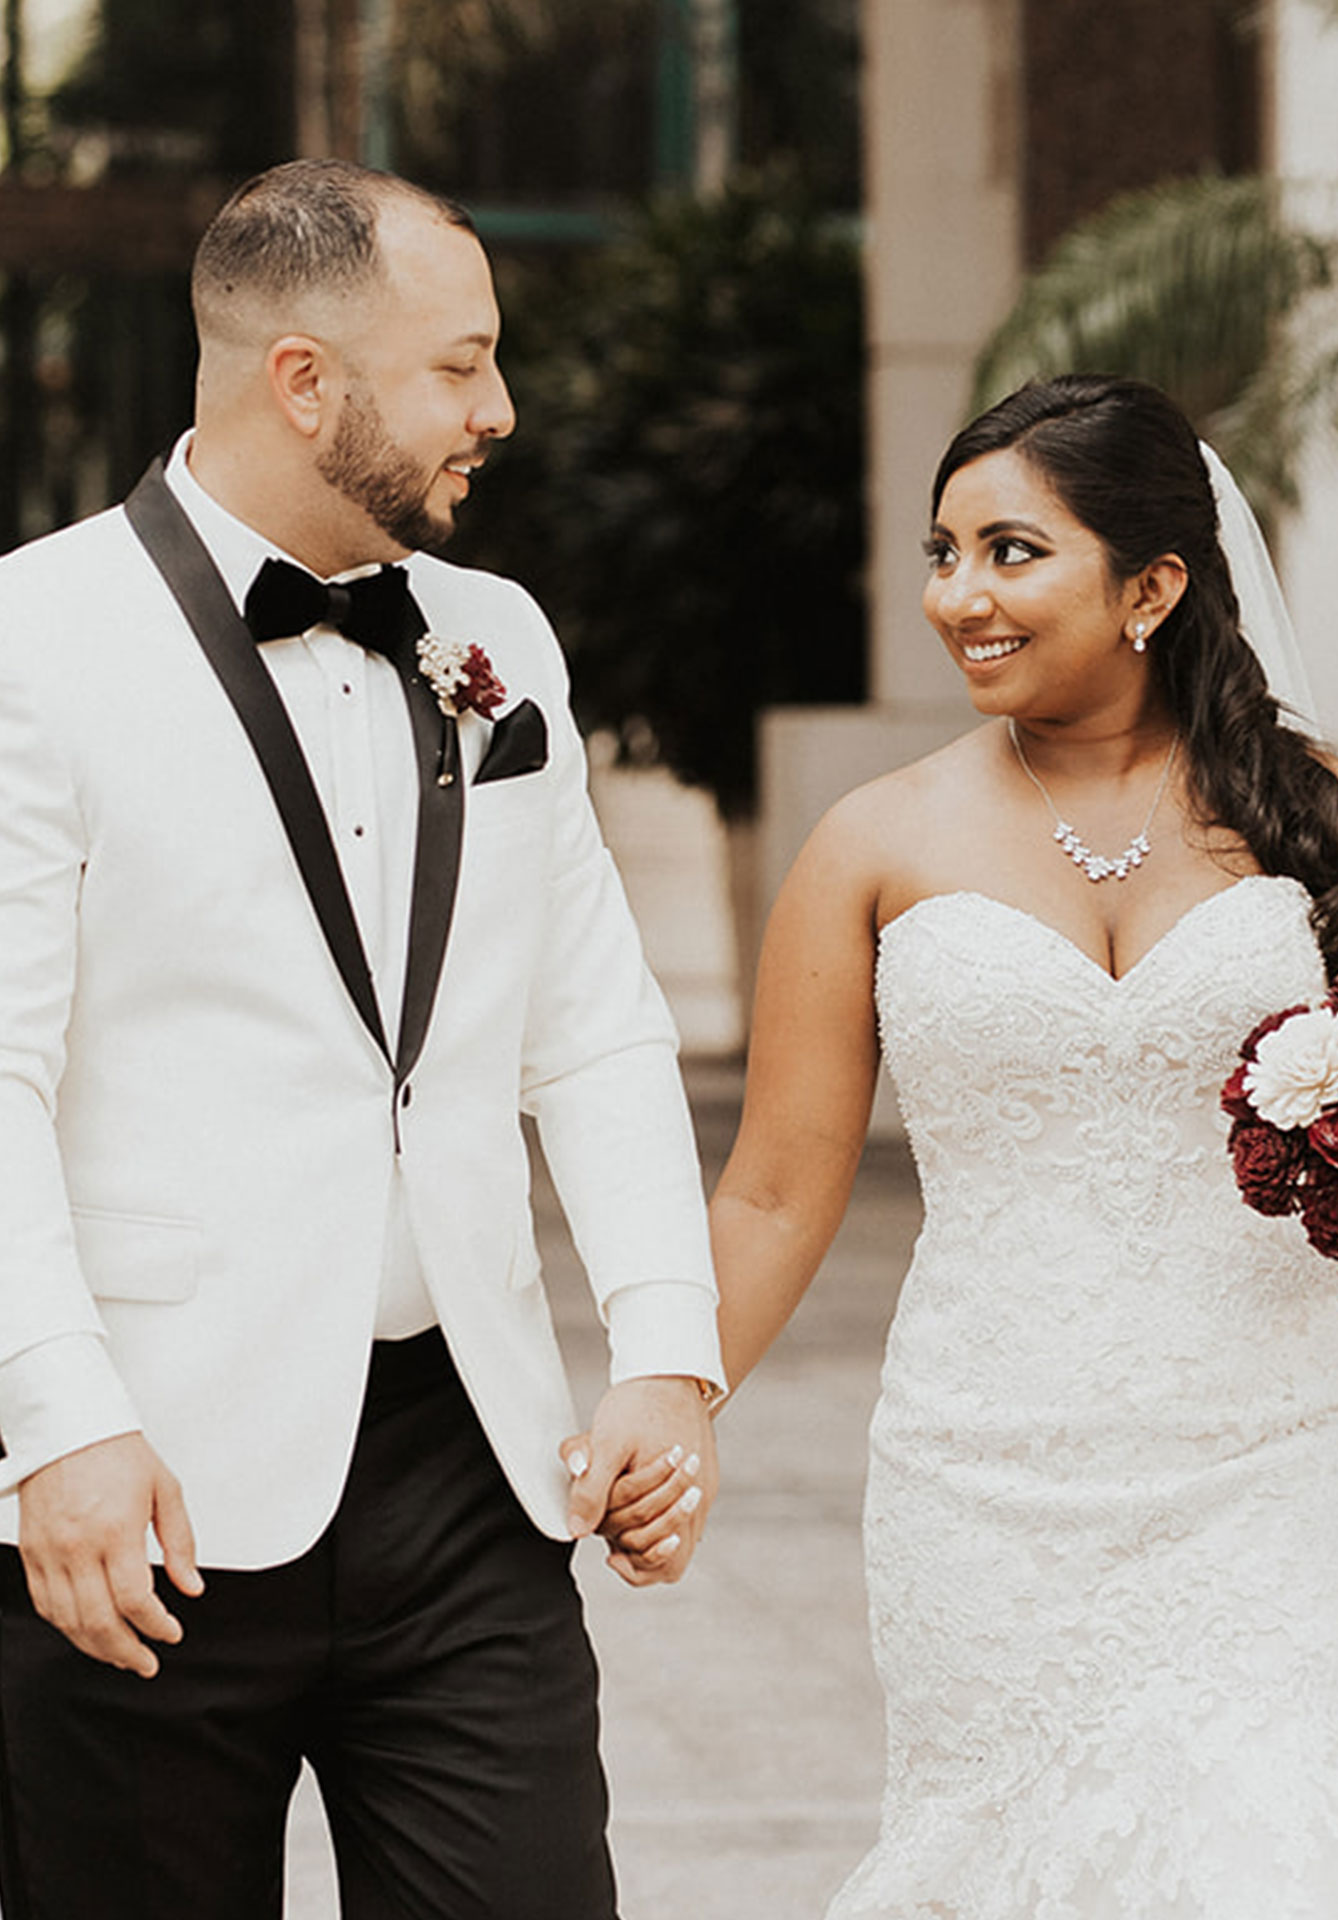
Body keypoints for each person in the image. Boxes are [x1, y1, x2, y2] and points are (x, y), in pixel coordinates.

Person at [0, 159, 722, 1916]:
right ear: (304, 382)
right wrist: (54, 1426)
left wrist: (665, 1349)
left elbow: (597, 1031)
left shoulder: (501, 639)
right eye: (460, 366)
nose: (502, 409)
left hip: (465, 1468)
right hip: (142, 1486)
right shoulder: (31, 641)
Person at [678, 374, 1338, 1915]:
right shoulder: (872, 844)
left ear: (1152, 586)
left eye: (1011, 553)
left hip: (1274, 1459)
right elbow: (771, 1186)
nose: (960, 598)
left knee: (1279, 1850)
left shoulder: (1331, 818)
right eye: (944, 554)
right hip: (983, 1475)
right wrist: (667, 1400)